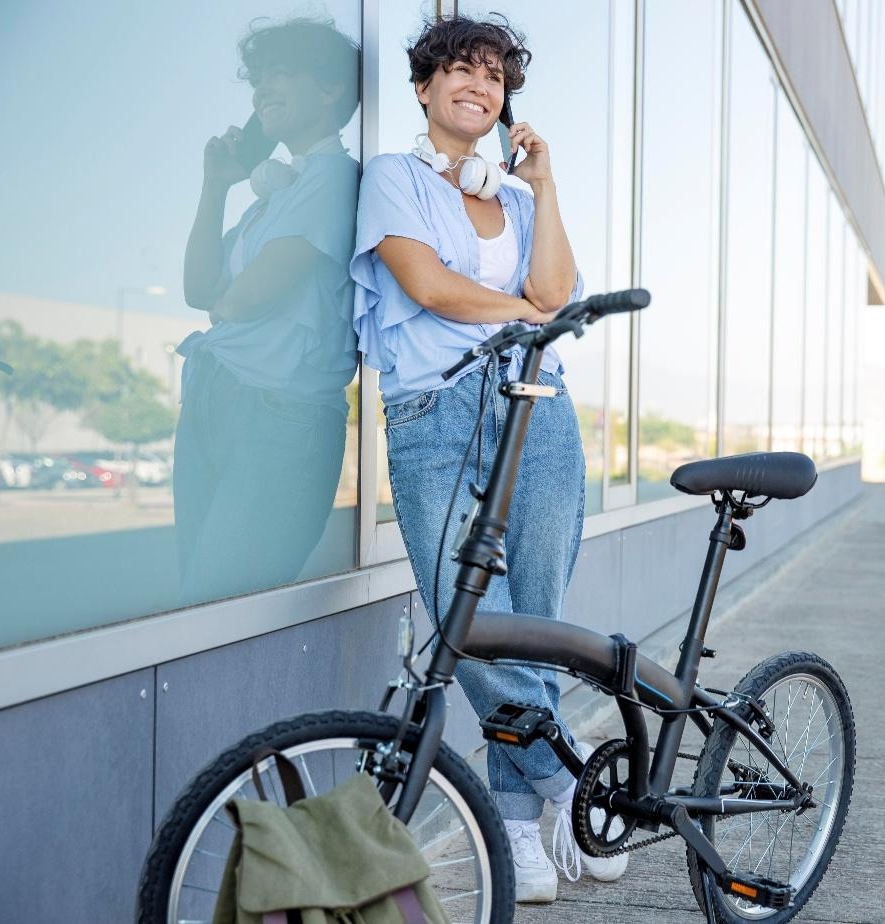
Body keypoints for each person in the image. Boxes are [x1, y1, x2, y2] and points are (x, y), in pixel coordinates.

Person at [350, 14, 627, 903]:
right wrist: (526, 314)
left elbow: (554, 290)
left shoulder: (516, 198)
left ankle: (515, 831)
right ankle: (566, 778)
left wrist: (543, 185)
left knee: (535, 623)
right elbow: (428, 287)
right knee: (466, 619)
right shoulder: (391, 178)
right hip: (433, 413)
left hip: (536, 412)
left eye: (496, 77)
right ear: (424, 86)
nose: (480, 85)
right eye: (462, 70)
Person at [176, 18, 361, 606]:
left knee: (223, 601)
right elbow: (199, 289)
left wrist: (225, 303)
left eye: (279, 74)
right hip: (217, 393)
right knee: (196, 600)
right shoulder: (278, 193)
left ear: (330, 89)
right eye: (258, 81)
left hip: (278, 417)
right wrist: (216, 185)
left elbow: (246, 296)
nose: (261, 91)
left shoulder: (335, 178)